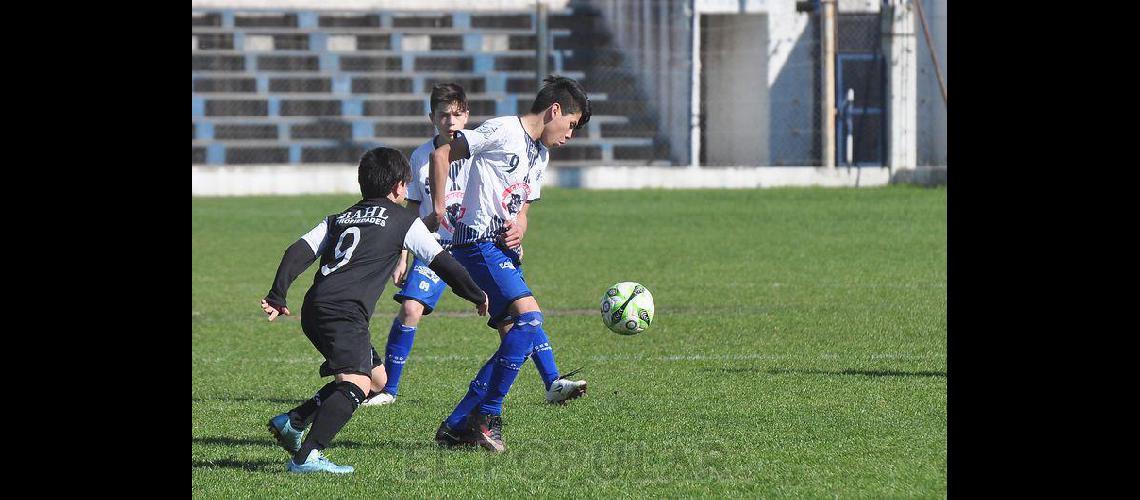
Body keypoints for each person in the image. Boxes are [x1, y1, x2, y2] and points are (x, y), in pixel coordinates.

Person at [261, 147, 488, 474]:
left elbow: (297, 251)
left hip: (316, 306)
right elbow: (442, 261)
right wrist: (475, 293)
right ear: (398, 187)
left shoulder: (339, 218)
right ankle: (307, 456)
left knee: (378, 381)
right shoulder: (404, 221)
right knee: (355, 385)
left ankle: (293, 421)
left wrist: (278, 294)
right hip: (345, 311)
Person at [363, 82, 586, 408]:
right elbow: (412, 209)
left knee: (514, 323)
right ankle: (391, 391)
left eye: (457, 115)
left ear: (466, 115)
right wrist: (404, 252)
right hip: (436, 245)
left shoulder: (485, 150)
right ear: (432, 118)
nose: (450, 122)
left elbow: (516, 204)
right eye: (443, 115)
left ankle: (545, 382)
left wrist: (517, 229)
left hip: (478, 244)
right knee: (412, 307)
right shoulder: (423, 157)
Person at [425, 75, 592, 452]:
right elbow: (441, 153)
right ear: (555, 110)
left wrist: (520, 229)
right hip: (474, 242)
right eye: (571, 125)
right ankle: (486, 417)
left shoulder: (541, 154)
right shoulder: (503, 131)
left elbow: (523, 209)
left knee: (518, 332)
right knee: (531, 319)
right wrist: (437, 209)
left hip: (501, 251)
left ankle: (457, 425)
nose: (569, 135)